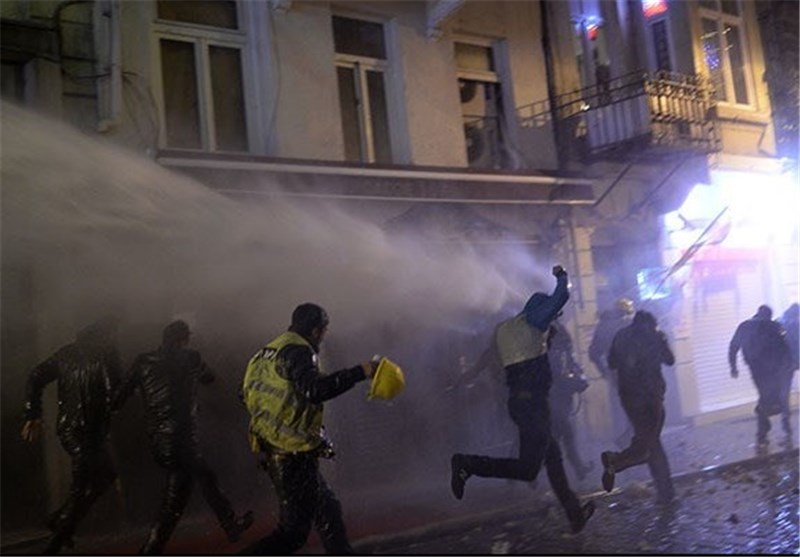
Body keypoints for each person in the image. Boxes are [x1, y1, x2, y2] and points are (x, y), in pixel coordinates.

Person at [450, 266, 595, 534]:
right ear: (541, 312)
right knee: (528, 469)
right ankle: (467, 464)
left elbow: (486, 359)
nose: (554, 321)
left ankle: (575, 514)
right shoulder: (534, 323)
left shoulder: (505, 329)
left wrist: (466, 377)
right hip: (532, 406)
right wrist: (561, 274)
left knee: (554, 460)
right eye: (551, 317)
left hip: (523, 403)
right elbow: (561, 296)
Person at [240, 303, 379, 555]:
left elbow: (245, 395)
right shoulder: (299, 351)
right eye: (324, 331)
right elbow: (315, 390)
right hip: (290, 454)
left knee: (328, 509)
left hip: (279, 448)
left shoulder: (267, 351)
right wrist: (362, 371)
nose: (324, 337)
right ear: (316, 330)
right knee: (291, 534)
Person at [114, 320, 253, 554]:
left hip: (159, 439)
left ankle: (154, 548)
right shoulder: (190, 358)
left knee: (182, 494)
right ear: (184, 339)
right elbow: (209, 378)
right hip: (181, 437)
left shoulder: (142, 362)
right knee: (195, 483)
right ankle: (229, 525)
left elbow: (118, 398)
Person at [21, 317, 122, 554]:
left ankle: (60, 520)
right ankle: (56, 539)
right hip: (91, 431)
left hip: (69, 430)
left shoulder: (66, 353)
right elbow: (113, 391)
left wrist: (32, 413)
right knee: (83, 486)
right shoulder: (107, 353)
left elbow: (36, 375)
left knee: (104, 476)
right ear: (105, 335)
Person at [600, 310, 676, 505]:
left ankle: (666, 492)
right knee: (648, 444)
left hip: (629, 397)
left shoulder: (620, 335)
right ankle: (615, 461)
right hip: (651, 397)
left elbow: (611, 363)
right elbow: (670, 360)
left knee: (651, 441)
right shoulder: (655, 335)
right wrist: (662, 339)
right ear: (651, 323)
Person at [729, 305, 794, 446]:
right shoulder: (774, 326)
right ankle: (776, 428)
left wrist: (733, 367)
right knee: (777, 398)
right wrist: (788, 366)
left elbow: (733, 347)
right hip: (775, 370)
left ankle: (763, 431)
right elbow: (784, 347)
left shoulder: (744, 326)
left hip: (757, 371)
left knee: (765, 397)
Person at [548, 320, 593, 481]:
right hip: (555, 399)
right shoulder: (555, 353)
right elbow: (560, 374)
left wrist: (578, 378)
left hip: (560, 398)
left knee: (561, 436)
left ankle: (579, 468)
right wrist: (574, 380)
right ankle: (578, 469)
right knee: (564, 435)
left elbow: (571, 366)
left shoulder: (560, 351)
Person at [588, 298, 635, 447]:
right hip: (632, 374)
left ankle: (623, 440)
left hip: (614, 375)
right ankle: (629, 440)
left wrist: (604, 372)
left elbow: (593, 353)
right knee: (635, 407)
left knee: (620, 408)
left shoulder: (603, 326)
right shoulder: (627, 325)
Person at [779, 303, 799, 438]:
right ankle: (785, 420)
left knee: (784, 392)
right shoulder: (795, 324)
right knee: (784, 391)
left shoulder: (780, 322)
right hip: (793, 359)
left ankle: (785, 421)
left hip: (785, 363)